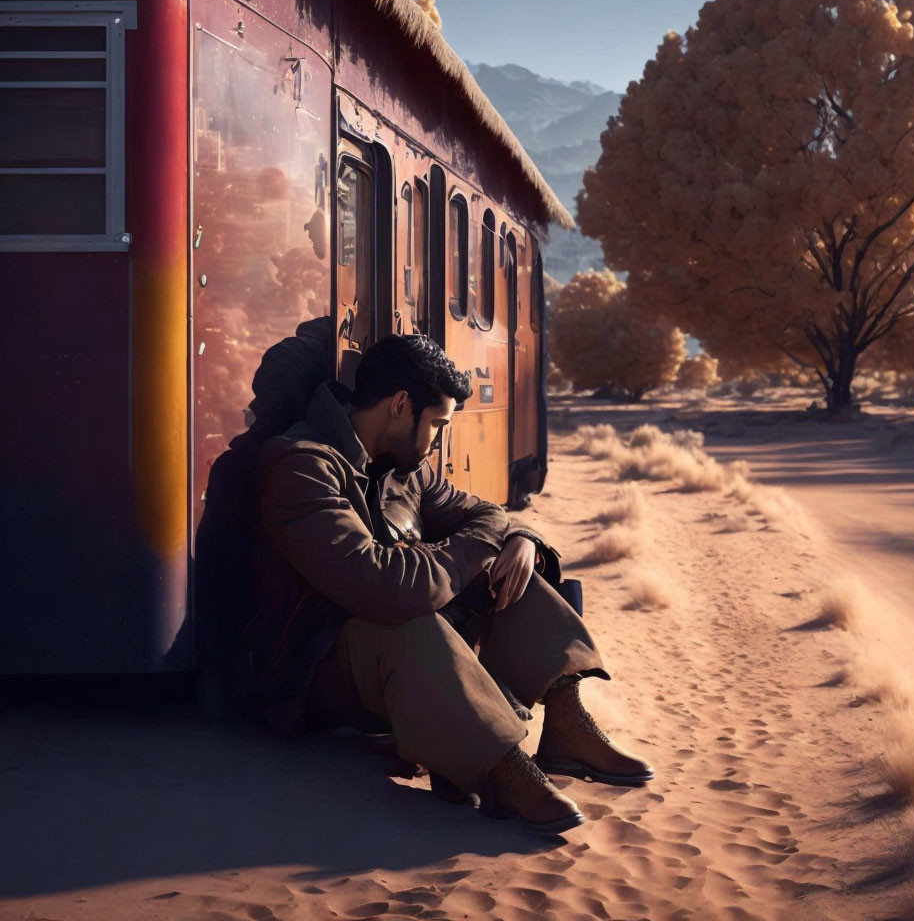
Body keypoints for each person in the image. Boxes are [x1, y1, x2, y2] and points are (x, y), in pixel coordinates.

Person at [244, 333, 651, 833]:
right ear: (400, 406)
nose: (438, 439)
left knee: (508, 573)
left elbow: (485, 513)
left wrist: (520, 537)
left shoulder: (403, 472)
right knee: (412, 618)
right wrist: (485, 543)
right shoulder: (302, 468)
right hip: (312, 677)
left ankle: (567, 723)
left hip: (388, 665)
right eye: (437, 424)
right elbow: (388, 588)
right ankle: (499, 768)